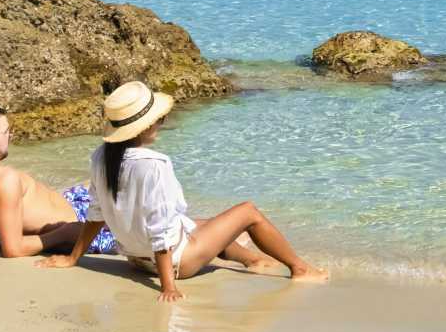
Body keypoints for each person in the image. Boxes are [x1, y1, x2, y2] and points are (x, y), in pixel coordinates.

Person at [36, 81, 330, 300]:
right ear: (145, 126)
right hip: (175, 265)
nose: (161, 123)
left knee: (204, 224)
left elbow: (96, 214)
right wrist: (168, 287)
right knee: (248, 212)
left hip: (136, 261)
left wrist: (73, 258)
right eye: (158, 119)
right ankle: (300, 269)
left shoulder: (101, 156)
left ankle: (252, 260)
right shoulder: (155, 164)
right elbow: (160, 227)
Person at [0, 103, 116, 258]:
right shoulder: (4, 180)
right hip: (78, 228)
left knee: (95, 183)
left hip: (70, 203)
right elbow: (13, 249)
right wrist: (64, 233)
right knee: (128, 205)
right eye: (6, 132)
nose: (9, 137)